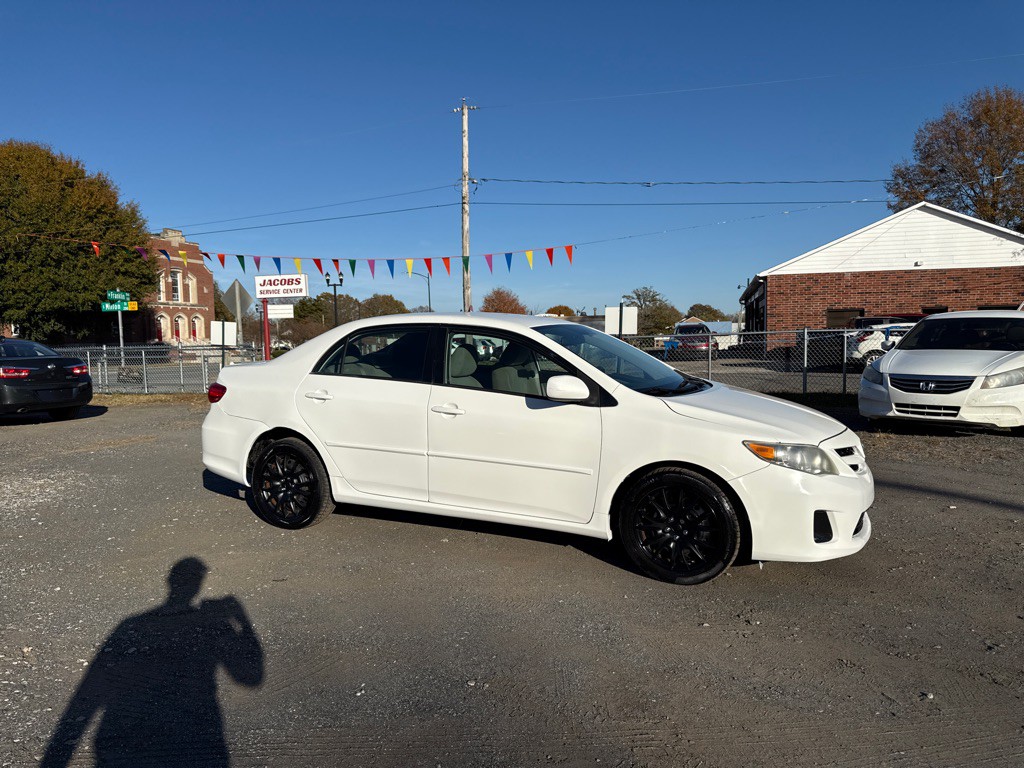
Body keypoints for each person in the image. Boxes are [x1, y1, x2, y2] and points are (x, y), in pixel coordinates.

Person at [42, 558, 263, 767]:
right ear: (199, 587)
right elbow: (250, 677)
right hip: (195, 740)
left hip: (133, 742)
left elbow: (89, 693)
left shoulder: (133, 626)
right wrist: (241, 620)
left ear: (169, 582)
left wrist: (55, 759)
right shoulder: (212, 627)